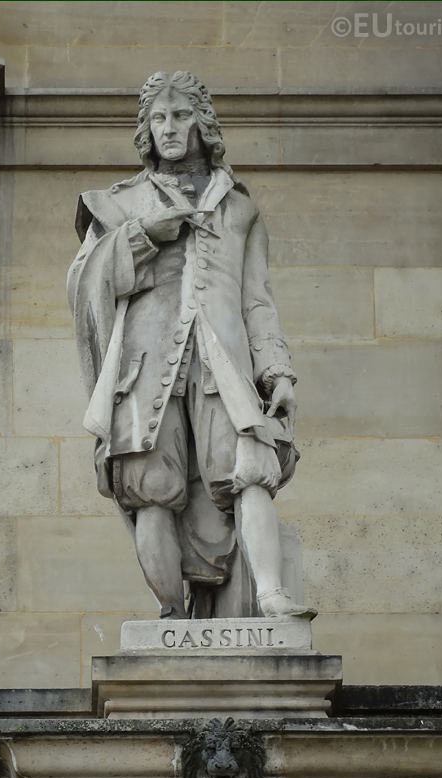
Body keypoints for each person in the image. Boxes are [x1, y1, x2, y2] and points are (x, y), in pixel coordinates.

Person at [67, 71, 315, 621]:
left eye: (180, 116)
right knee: (150, 485)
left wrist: (278, 371)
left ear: (203, 123)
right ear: (146, 130)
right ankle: (171, 618)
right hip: (145, 366)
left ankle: (272, 596)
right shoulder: (120, 203)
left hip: (222, 362)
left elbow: (257, 300)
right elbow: (83, 285)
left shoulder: (240, 208)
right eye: (158, 118)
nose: (170, 128)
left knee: (249, 466)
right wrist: (142, 234)